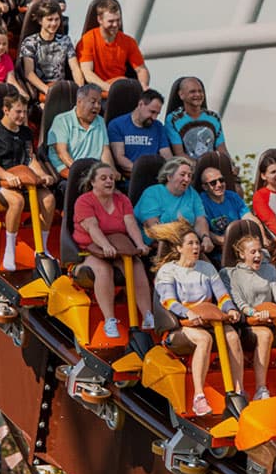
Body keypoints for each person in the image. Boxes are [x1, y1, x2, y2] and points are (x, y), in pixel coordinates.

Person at [150, 222, 240, 416]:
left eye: (197, 243)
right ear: (178, 248)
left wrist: (230, 309)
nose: (196, 247)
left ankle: (238, 392)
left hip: (209, 320)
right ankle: (198, 397)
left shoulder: (206, 268)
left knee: (232, 336)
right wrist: (187, 313)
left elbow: (222, 296)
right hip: (179, 326)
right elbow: (167, 301)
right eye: (190, 243)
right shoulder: (168, 270)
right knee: (204, 339)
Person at [222, 231, 276, 397]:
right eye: (253, 252)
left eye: (260, 251)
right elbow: (238, 302)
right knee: (265, 335)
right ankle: (261, 389)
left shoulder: (269, 270)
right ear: (241, 254)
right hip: (250, 321)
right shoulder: (231, 274)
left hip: (274, 317)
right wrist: (254, 313)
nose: (258, 255)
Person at [70, 162, 150, 338]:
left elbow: (130, 223)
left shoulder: (122, 200)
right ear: (93, 182)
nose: (109, 182)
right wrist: (105, 245)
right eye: (103, 178)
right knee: (103, 270)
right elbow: (92, 227)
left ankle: (147, 315)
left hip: (120, 247)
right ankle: (110, 320)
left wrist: (139, 244)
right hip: (92, 248)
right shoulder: (84, 201)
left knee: (136, 266)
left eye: (111, 178)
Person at [0, 88, 53, 271]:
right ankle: (9, 250)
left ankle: (41, 248)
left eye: (24, 112)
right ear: (6, 110)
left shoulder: (25, 133)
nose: (22, 116)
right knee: (17, 200)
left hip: (24, 183)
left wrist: (42, 175)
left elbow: (30, 159)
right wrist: (7, 176)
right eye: (18, 112)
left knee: (49, 199)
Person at [135, 157, 211, 252]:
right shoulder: (152, 193)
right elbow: (153, 228)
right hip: (157, 247)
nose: (187, 179)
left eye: (190, 176)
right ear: (169, 177)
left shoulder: (192, 193)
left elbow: (200, 220)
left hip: (186, 245)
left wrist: (205, 237)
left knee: (207, 266)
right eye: (182, 175)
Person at [76, 0, 150, 89]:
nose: (115, 25)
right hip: (98, 92)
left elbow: (141, 69)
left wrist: (143, 85)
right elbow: (87, 73)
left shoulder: (129, 42)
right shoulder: (87, 40)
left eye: (118, 20)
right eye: (111, 21)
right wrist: (109, 88)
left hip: (121, 86)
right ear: (100, 20)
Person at [47, 83, 108, 183]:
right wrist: (82, 173)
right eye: (93, 102)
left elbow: (105, 152)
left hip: (94, 176)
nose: (97, 106)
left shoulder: (100, 121)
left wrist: (109, 172)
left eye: (99, 103)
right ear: (79, 102)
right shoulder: (61, 120)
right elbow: (62, 154)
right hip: (69, 173)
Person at [19, 0, 79, 98]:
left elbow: (75, 68)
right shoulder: (30, 42)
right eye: (50, 20)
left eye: (57, 19)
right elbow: (29, 73)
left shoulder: (65, 40)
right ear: (40, 21)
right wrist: (48, 90)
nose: (54, 23)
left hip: (61, 87)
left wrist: (79, 90)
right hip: (42, 89)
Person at [107, 89, 171, 174]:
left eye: (157, 114)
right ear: (140, 104)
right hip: (131, 178)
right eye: (152, 112)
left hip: (155, 177)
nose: (154, 117)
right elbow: (120, 158)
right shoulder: (116, 125)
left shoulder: (158, 126)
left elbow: (167, 155)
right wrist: (141, 172)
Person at [165, 76, 227, 159]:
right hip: (188, 167)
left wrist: (230, 165)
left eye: (200, 91)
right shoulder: (173, 119)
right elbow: (179, 154)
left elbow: (222, 149)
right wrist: (199, 167)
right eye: (192, 92)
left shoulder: (214, 117)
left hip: (212, 167)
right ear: (181, 95)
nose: (197, 94)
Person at [196, 161, 249, 242]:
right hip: (218, 249)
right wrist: (223, 241)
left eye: (221, 180)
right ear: (205, 187)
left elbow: (248, 217)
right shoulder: (200, 202)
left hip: (241, 242)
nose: (219, 185)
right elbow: (202, 229)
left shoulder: (232, 196)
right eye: (213, 183)